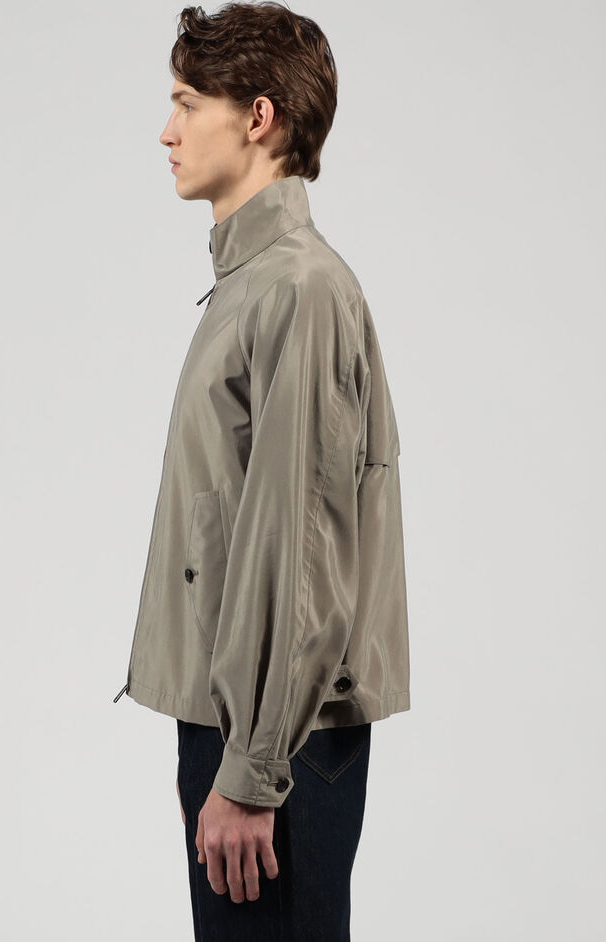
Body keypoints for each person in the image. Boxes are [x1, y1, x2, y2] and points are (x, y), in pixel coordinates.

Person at [113, 3, 411, 938]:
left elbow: (300, 546)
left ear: (258, 116)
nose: (166, 131)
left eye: (186, 102)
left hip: (272, 738)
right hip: (246, 720)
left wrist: (249, 773)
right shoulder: (253, 285)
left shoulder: (298, 289)